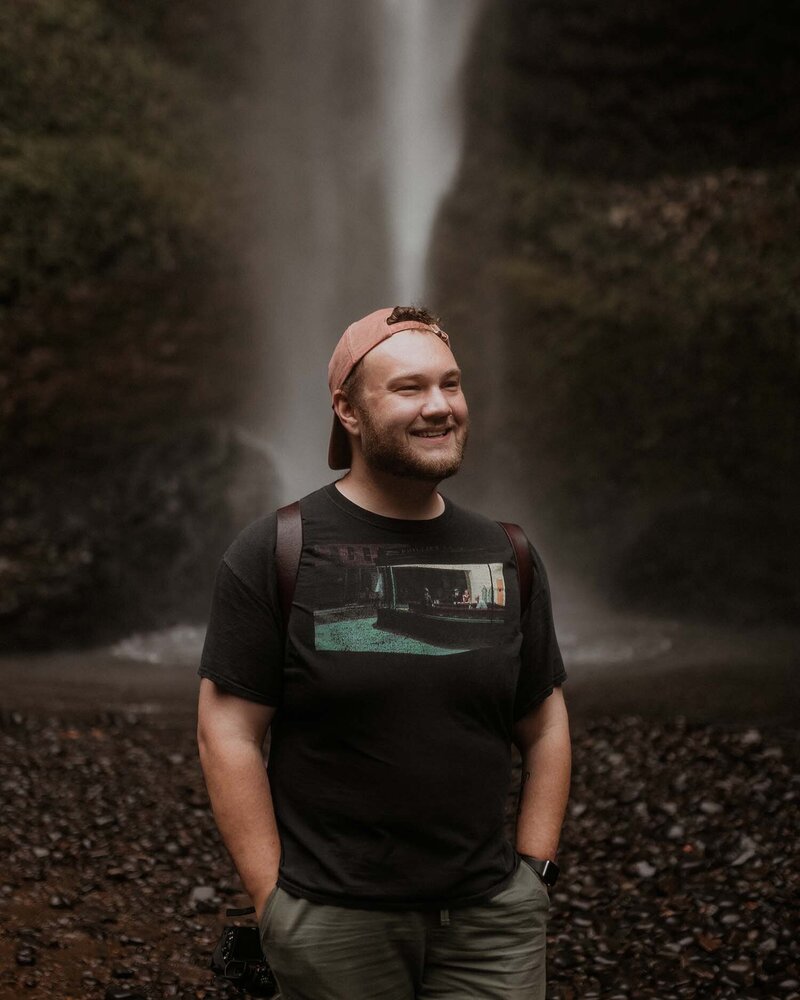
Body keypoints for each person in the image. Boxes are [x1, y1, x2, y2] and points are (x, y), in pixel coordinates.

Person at [197, 305, 571, 1000]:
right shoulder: (277, 550)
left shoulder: (508, 553)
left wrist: (534, 873)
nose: (440, 407)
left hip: (491, 922)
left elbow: (545, 721)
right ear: (348, 410)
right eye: (409, 389)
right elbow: (227, 730)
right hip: (334, 922)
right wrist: (273, 901)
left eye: (450, 385)